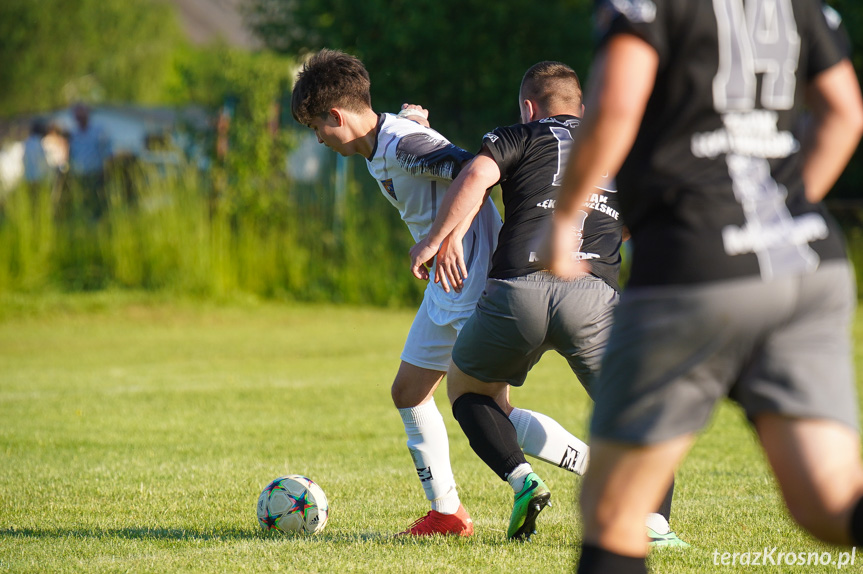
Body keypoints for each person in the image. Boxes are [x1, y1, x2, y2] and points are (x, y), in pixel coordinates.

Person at [546, 1, 863, 572]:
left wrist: (566, 219)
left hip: (694, 264)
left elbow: (616, 103)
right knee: (829, 501)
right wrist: (781, 215)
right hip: (810, 264)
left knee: (615, 511)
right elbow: (845, 113)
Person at [291, 49, 593, 537]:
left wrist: (447, 238)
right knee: (409, 393)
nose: (319, 139)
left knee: (488, 407)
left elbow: (472, 167)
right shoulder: (388, 138)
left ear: (336, 115)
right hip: (445, 284)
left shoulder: (404, 144)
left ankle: (591, 471)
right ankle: (448, 513)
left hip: (467, 278)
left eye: (317, 128)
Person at [409, 61, 683, 544]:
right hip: (593, 297)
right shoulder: (620, 145)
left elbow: (476, 175)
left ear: (529, 108)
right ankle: (654, 524)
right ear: (581, 107)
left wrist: (437, 238)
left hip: (518, 292)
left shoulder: (519, 134)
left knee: (468, 392)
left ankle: (522, 478)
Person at [68, 103, 112, 217]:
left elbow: (107, 151)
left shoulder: (98, 130)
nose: (80, 119)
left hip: (96, 172)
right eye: (78, 117)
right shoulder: (73, 134)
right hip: (81, 174)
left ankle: (100, 221)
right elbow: (71, 154)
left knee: (99, 199)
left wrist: (105, 168)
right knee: (84, 200)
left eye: (82, 116)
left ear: (87, 116)